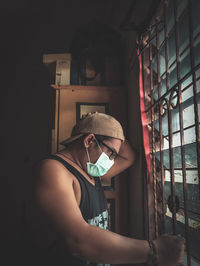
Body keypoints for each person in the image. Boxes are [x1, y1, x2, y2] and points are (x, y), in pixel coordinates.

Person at [23, 112, 184, 266]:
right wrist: (155, 251)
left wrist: (104, 123)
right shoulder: (53, 170)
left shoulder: (90, 170)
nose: (111, 160)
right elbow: (78, 240)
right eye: (111, 153)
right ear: (89, 141)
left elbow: (129, 156)